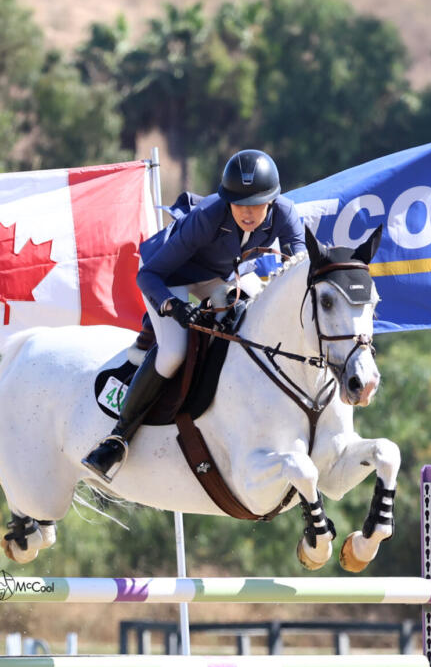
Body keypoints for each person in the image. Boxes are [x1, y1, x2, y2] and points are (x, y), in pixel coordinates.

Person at [81, 149, 307, 482]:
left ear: (272, 201)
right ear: (227, 199)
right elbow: (149, 276)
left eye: (256, 204)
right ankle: (116, 439)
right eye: (239, 204)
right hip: (167, 275)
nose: (248, 213)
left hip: (219, 274)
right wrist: (173, 306)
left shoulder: (286, 214)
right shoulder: (210, 216)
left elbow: (300, 271)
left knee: (251, 318)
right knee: (174, 352)